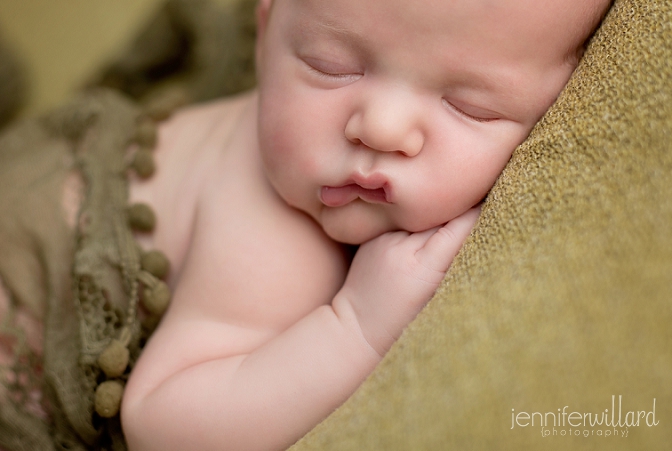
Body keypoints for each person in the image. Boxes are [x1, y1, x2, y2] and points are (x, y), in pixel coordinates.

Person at [120, 0, 611, 450]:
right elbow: (158, 425)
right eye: (329, 66)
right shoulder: (273, 237)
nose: (382, 128)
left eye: (469, 107)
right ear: (264, 32)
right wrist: (356, 328)